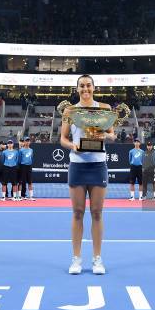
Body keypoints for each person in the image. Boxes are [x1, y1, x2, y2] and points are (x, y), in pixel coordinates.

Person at [60, 74, 116, 275]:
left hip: (98, 165)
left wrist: (105, 135)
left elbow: (112, 135)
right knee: (77, 213)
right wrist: (73, 146)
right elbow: (63, 139)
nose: (85, 89)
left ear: (94, 88)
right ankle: (76, 260)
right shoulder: (70, 111)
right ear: (77, 89)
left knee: (97, 213)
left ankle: (97, 259)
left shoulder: (105, 109)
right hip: (77, 164)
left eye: (88, 86)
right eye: (82, 86)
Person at [19, 136, 35, 201]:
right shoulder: (21, 150)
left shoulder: (31, 150)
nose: (27, 142)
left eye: (28, 141)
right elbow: (19, 159)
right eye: (26, 141)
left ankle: (31, 196)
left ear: (30, 142)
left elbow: (31, 158)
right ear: (24, 142)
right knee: (23, 182)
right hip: (23, 166)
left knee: (30, 182)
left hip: (29, 167)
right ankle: (22, 195)